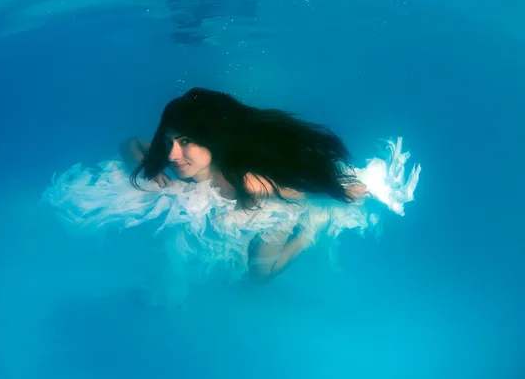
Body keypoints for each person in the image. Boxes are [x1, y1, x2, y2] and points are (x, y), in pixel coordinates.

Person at [41, 87, 421, 305]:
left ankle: (308, 237)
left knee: (258, 277)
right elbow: (131, 144)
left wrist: (337, 191)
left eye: (187, 142)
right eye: (170, 141)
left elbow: (294, 190)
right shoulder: (171, 159)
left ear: (213, 140)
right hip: (230, 205)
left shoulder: (250, 181)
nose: (173, 153)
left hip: (272, 211)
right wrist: (149, 164)